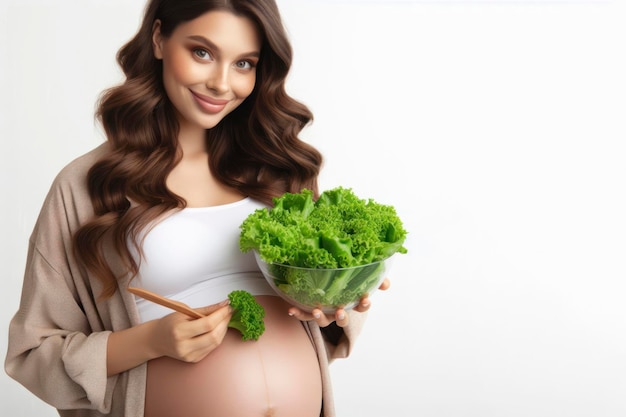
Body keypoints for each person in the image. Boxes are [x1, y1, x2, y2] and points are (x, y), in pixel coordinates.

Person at [5, 1, 390, 416]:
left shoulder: (281, 172)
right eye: (202, 52)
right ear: (158, 39)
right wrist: (152, 341)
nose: (222, 84)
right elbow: (33, 354)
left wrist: (338, 302)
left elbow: (322, 326)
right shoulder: (87, 186)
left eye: (244, 63)